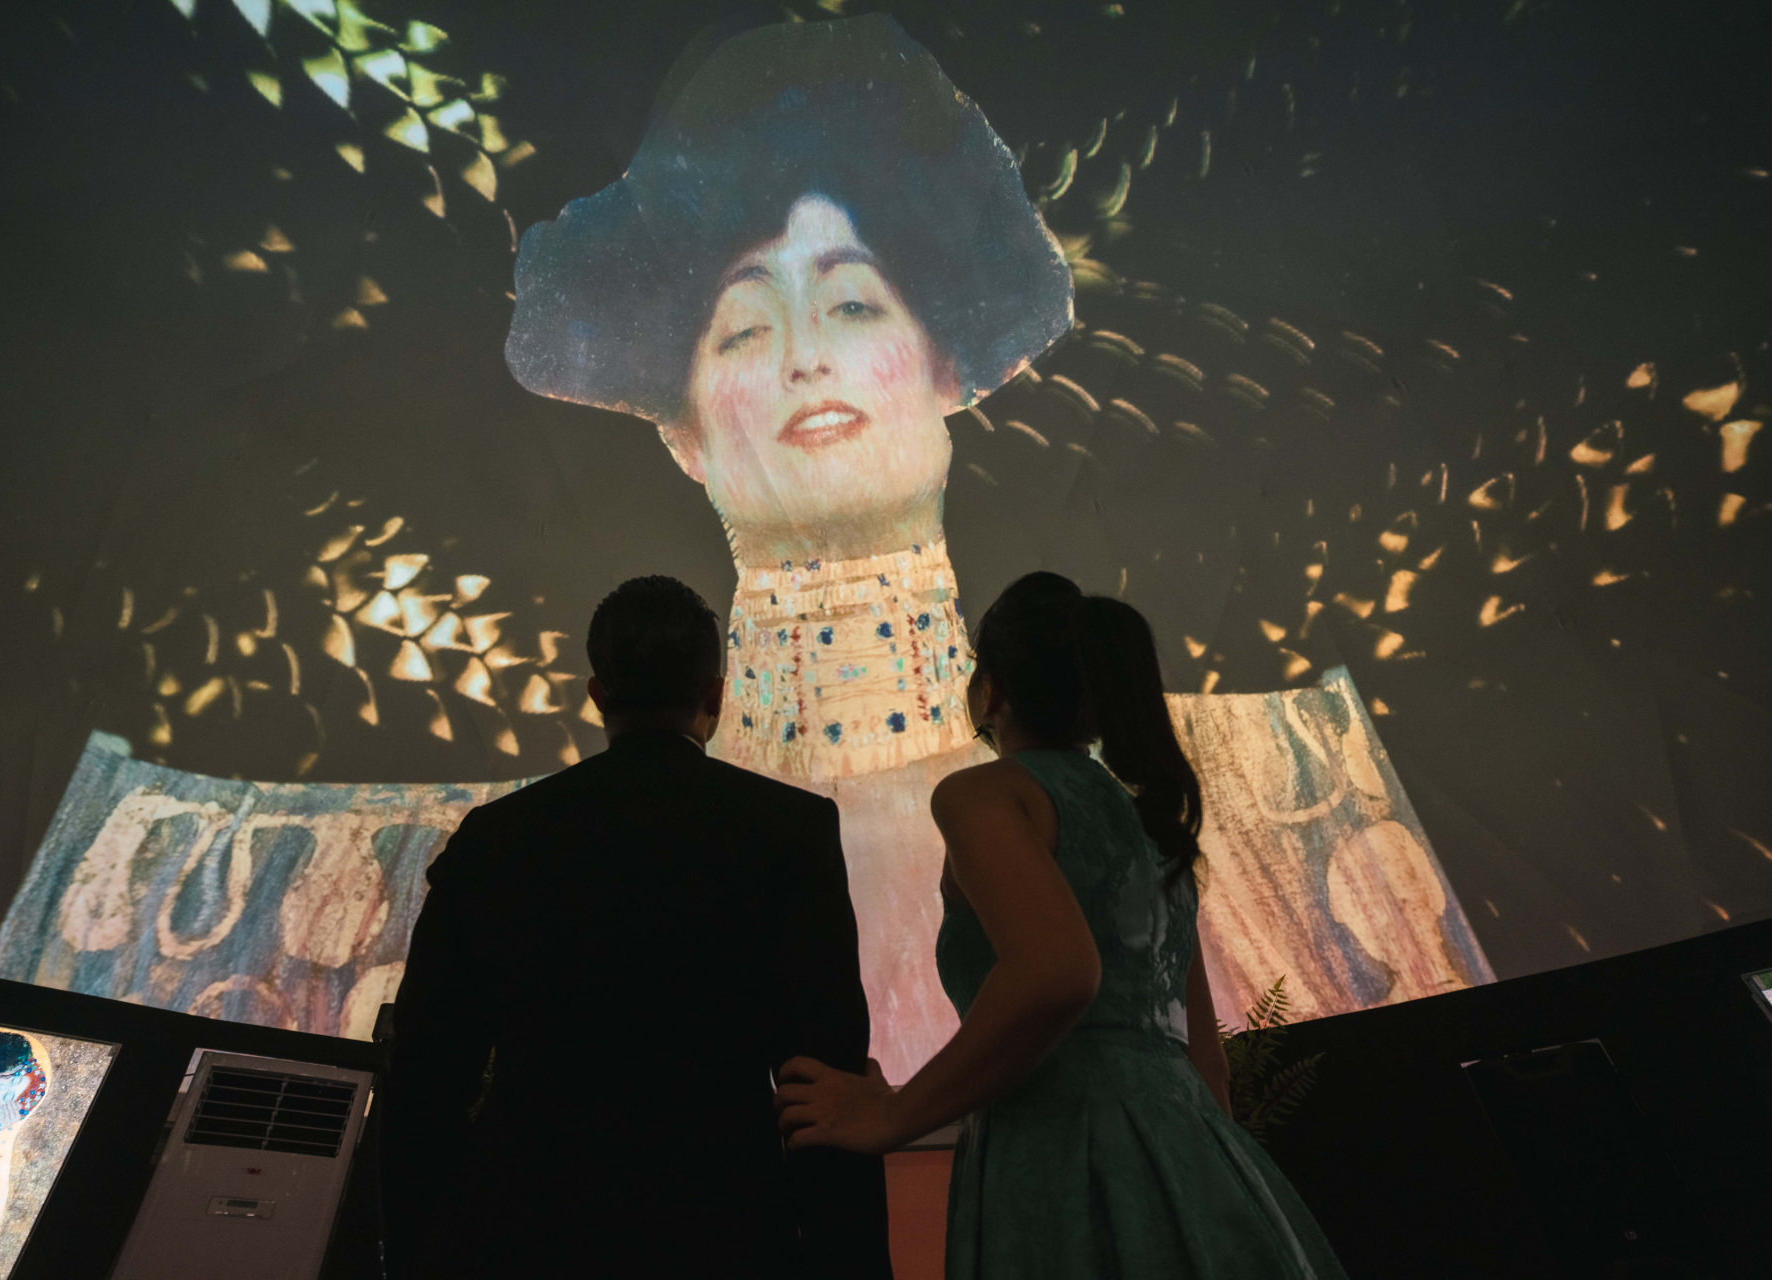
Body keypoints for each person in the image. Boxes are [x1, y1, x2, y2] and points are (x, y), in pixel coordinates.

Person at [506, 13, 1489, 1085]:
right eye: (744, 327)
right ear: (683, 432)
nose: (804, 358)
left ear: (947, 367)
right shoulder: (557, 845)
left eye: (851, 303)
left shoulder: (1290, 778)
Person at [774, 571, 1349, 1278]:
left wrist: (893, 1116)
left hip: (1062, 1155)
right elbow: (1210, 1066)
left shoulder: (985, 796)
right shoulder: (1151, 825)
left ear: (991, 693)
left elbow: (1055, 972)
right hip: (1197, 1158)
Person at [380, 575, 893, 1279]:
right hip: (722, 1228)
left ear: (598, 694)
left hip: (524, 1229)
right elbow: (823, 1083)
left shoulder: (494, 838)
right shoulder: (789, 831)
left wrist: (410, 1252)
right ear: (715, 695)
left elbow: (426, 1074)